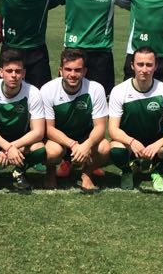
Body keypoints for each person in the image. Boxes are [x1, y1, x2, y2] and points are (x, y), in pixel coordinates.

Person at [107, 47, 163, 192]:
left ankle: (157, 169)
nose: (144, 69)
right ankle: (128, 170)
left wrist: (157, 145)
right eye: (140, 64)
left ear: (156, 66)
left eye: (149, 65)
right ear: (132, 65)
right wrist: (131, 142)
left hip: (157, 143)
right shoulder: (119, 91)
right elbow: (113, 129)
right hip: (131, 143)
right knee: (115, 148)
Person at [0, 49, 48, 192]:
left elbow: (39, 132)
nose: (13, 75)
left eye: (17, 71)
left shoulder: (33, 92)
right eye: (9, 71)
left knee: (40, 149)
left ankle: (19, 170)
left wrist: (12, 147)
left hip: (21, 140)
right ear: (1, 72)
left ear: (24, 73)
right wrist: (7, 148)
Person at [41, 48, 111, 193]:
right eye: (68, 69)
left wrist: (86, 145)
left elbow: (100, 127)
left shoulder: (96, 89)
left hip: (85, 137)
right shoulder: (48, 90)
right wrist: (73, 145)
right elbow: (49, 129)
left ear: (84, 71)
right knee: (52, 151)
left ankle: (86, 173)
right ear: (60, 70)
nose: (72, 74)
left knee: (104, 148)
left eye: (77, 70)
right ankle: (50, 171)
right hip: (59, 140)